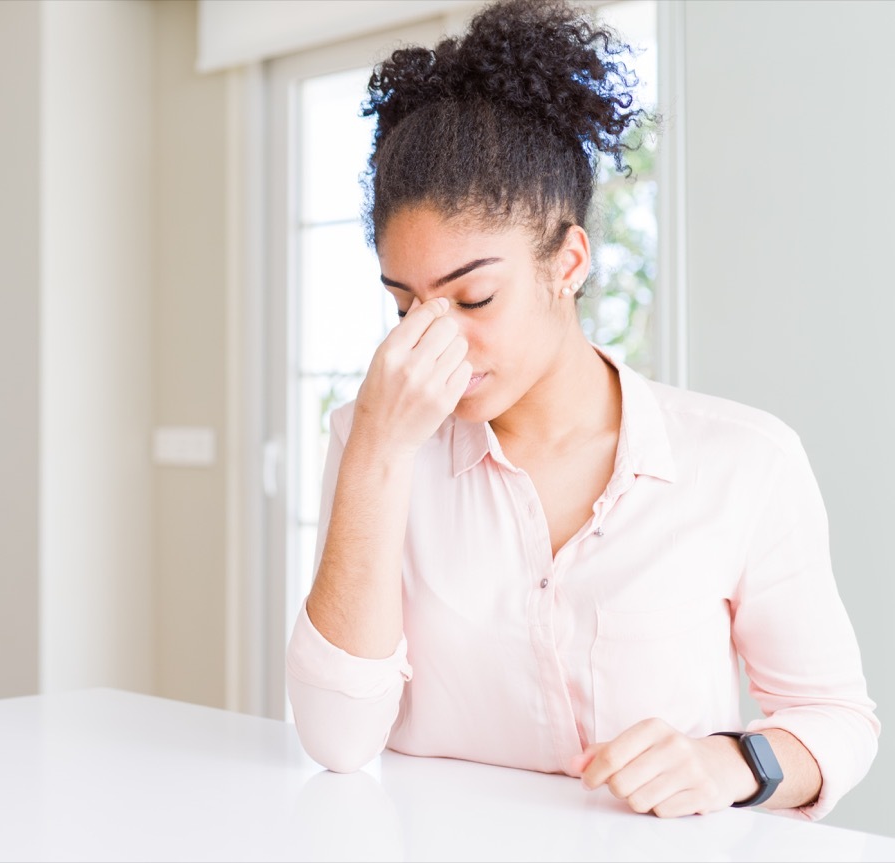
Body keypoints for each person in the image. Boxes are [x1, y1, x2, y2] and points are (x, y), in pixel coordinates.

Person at [285, 0, 878, 821]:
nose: (432, 342)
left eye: (474, 297)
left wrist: (735, 761)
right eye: (404, 306)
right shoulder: (372, 440)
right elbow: (337, 736)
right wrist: (378, 454)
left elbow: (838, 717)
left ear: (567, 261)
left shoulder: (744, 461)